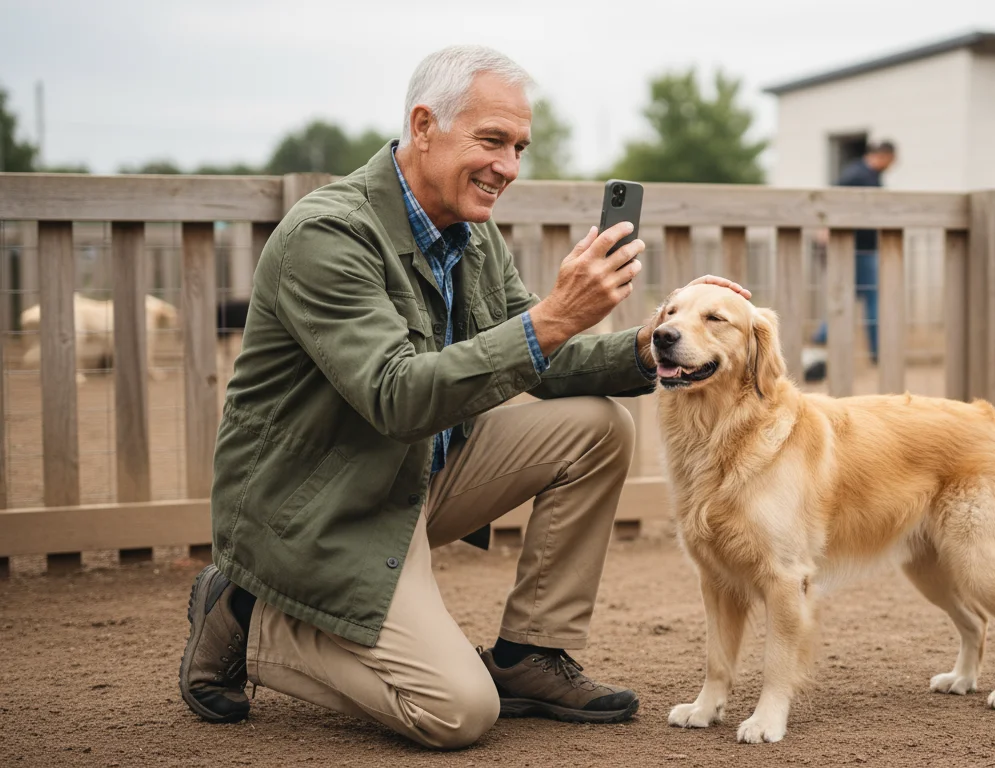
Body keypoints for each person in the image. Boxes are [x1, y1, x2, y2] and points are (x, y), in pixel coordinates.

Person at [177, 45, 749, 750]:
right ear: (424, 126)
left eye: (518, 147)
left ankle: (529, 656)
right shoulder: (328, 236)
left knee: (597, 429)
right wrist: (552, 318)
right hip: (321, 509)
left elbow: (542, 361)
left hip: (413, 474)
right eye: (491, 141)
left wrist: (649, 343)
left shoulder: (469, 235)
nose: (508, 166)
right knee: (456, 714)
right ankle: (246, 613)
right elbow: (395, 396)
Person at [804, 140, 897, 382]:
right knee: (867, 298)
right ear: (885, 156)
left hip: (860, 248)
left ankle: (822, 339)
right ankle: (875, 352)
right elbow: (830, 200)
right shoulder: (857, 174)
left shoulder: (868, 175)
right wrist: (825, 228)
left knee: (847, 296)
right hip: (858, 249)